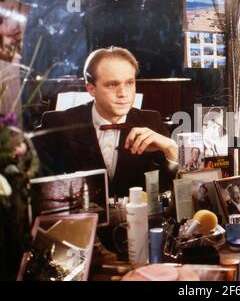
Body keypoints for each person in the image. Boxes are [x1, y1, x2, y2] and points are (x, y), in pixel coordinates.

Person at [33, 46, 179, 198]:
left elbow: (174, 188)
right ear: (91, 89)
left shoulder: (151, 121)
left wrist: (170, 147)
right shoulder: (57, 124)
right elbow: (37, 188)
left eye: (129, 83)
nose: (123, 93)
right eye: (112, 84)